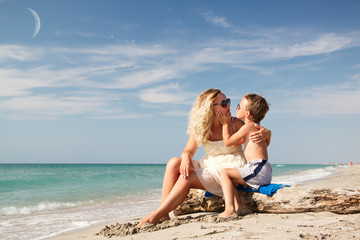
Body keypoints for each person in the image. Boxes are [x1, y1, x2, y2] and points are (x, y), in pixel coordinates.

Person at [137, 89, 271, 228]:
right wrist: (186, 158)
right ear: (209, 107)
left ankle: (156, 215)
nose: (229, 106)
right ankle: (164, 213)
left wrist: (268, 133)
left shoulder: (234, 123)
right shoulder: (202, 127)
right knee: (173, 163)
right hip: (210, 164)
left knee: (187, 178)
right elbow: (188, 150)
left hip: (230, 167)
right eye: (224, 103)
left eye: (228, 102)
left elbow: (255, 134)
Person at [216, 93, 272, 218]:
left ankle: (230, 209)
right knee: (231, 175)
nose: (236, 108)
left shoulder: (248, 127)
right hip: (262, 168)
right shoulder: (257, 128)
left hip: (257, 168)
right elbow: (264, 144)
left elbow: (228, 142)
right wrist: (269, 134)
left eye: (239, 106)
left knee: (224, 173)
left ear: (247, 114)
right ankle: (239, 208)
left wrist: (225, 123)